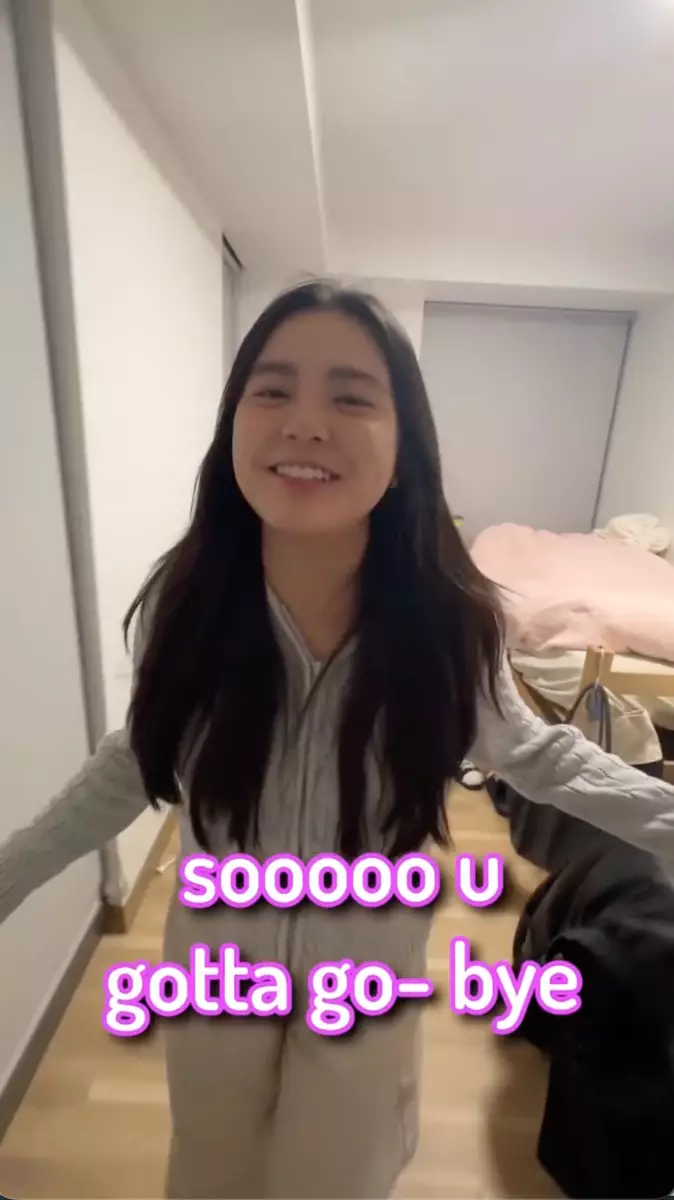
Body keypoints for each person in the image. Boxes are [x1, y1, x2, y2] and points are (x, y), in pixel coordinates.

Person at [1, 279, 673, 1199]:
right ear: (233, 428)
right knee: (209, 1169)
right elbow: (135, 759)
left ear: (404, 451)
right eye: (272, 390)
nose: (306, 423)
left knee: (336, 1177)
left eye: (351, 397)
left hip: (366, 980)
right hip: (216, 971)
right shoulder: (187, 604)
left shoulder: (448, 622)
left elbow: (536, 753)